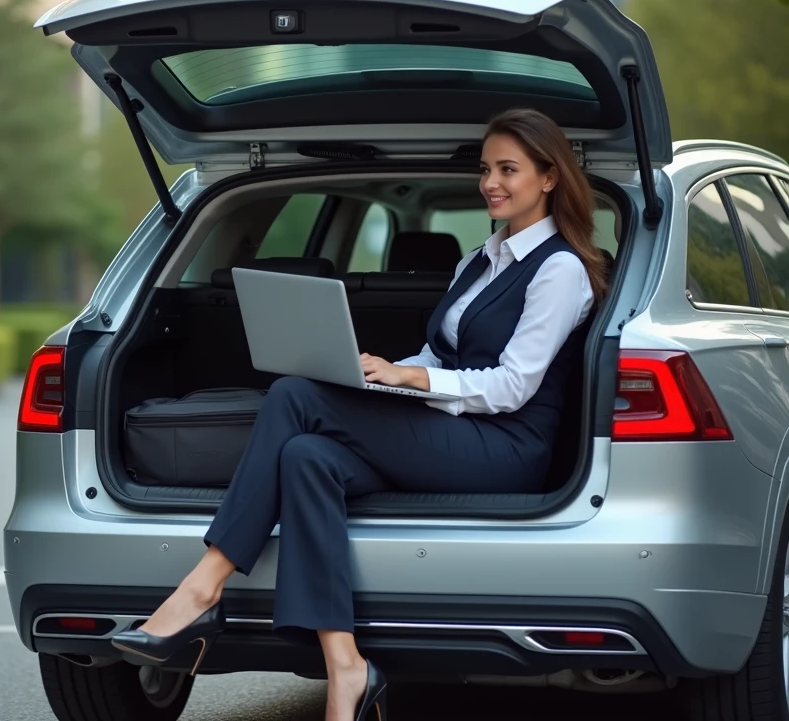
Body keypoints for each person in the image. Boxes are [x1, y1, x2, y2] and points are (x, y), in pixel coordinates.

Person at [108, 107, 611, 721]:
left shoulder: (560, 270)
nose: (490, 183)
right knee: (305, 455)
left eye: (508, 169)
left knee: (295, 396)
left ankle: (202, 585)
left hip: (507, 448)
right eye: (485, 169)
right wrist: (376, 373)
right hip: (452, 432)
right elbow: (439, 352)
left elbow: (512, 386)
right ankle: (345, 665)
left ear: (550, 177)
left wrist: (411, 379)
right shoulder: (478, 260)